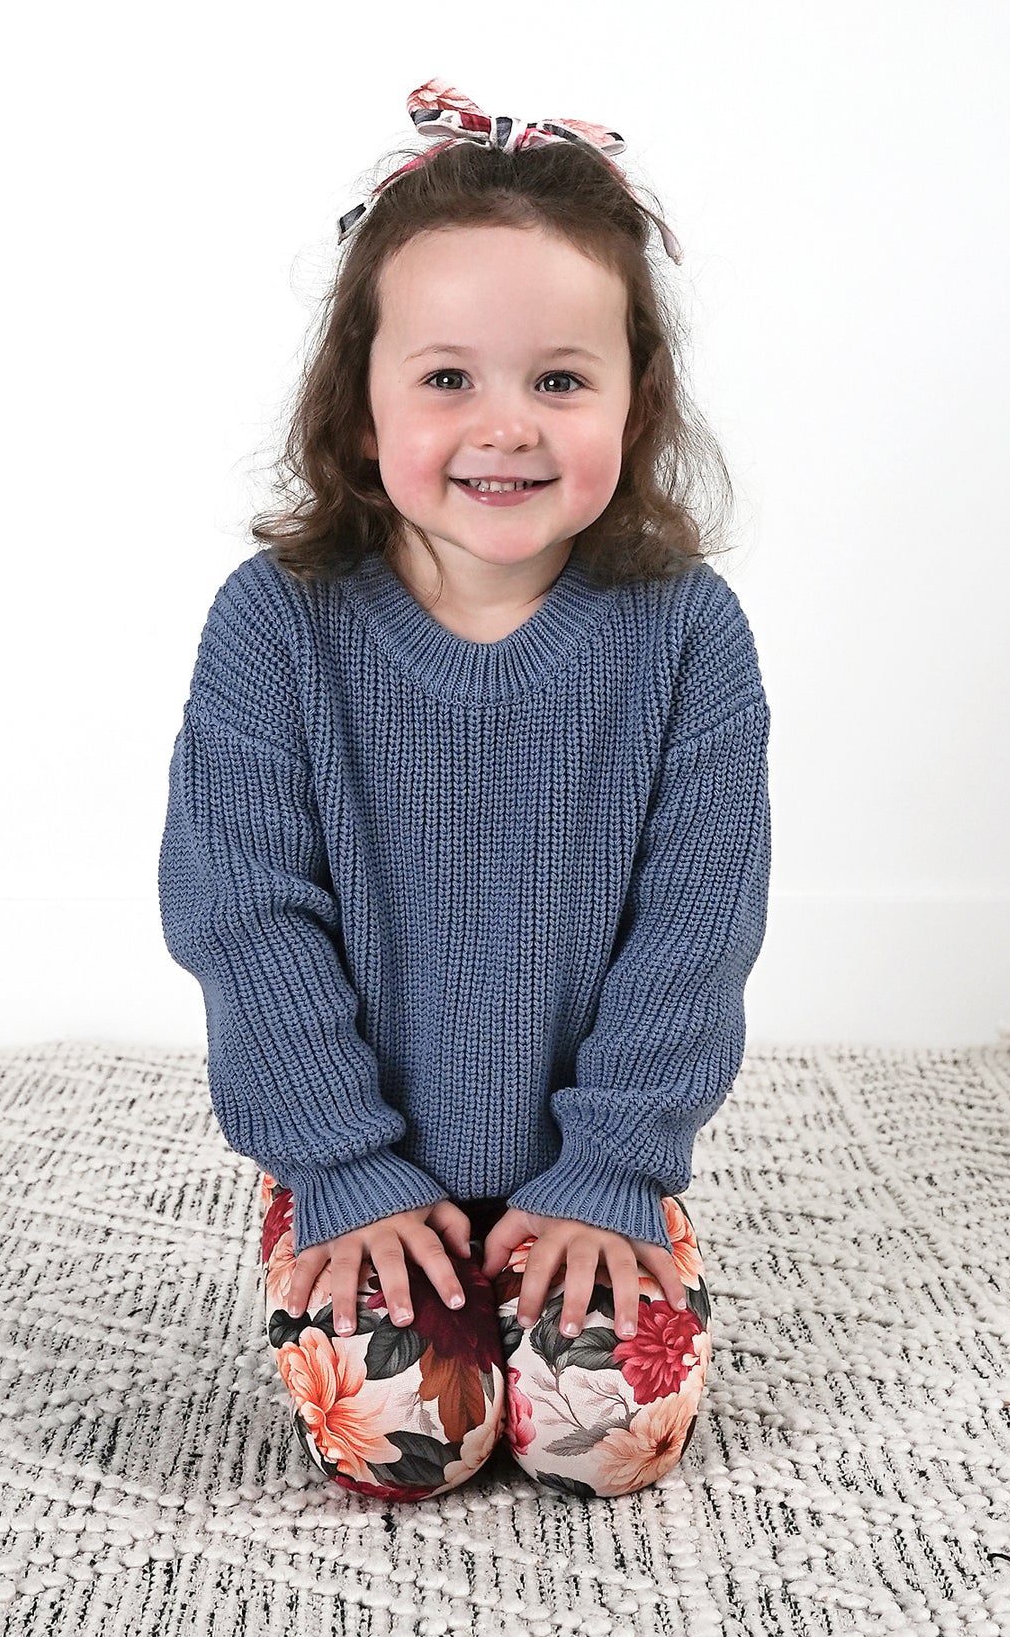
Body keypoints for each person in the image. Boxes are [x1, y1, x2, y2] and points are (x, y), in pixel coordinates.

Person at [158, 77, 772, 1502]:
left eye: (560, 381)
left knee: (605, 1440)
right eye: (448, 380)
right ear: (360, 403)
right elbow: (243, 915)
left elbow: (699, 922)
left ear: (636, 400)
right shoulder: (277, 623)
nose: (507, 427)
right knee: (411, 1444)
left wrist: (616, 1164)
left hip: (591, 1160)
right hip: (365, 1163)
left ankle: (586, 1251)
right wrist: (336, 1160)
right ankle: (386, 1260)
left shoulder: (686, 630)